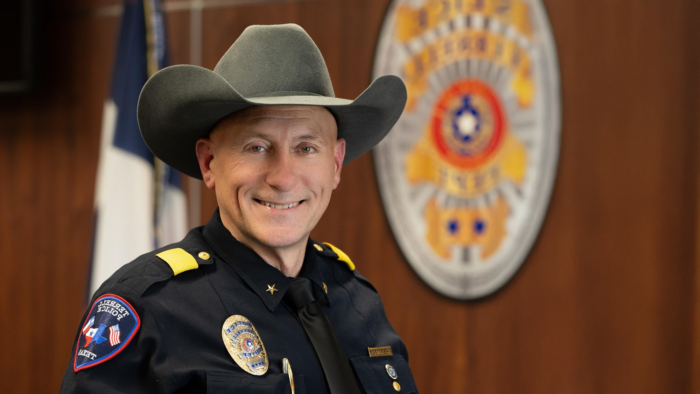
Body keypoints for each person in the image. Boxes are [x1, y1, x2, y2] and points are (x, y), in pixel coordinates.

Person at [60, 23, 417, 394]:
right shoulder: (148, 308)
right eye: (256, 147)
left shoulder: (357, 299)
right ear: (209, 162)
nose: (282, 178)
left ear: (336, 163)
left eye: (306, 148)